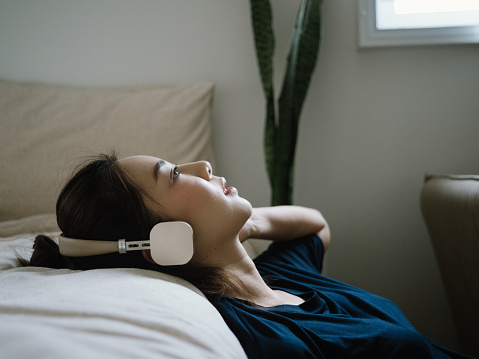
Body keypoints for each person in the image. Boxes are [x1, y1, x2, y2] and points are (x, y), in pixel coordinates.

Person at [29, 152, 474, 359]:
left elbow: (316, 224)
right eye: (173, 175)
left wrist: (248, 221)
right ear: (157, 243)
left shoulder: (281, 275)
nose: (202, 166)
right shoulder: (257, 334)